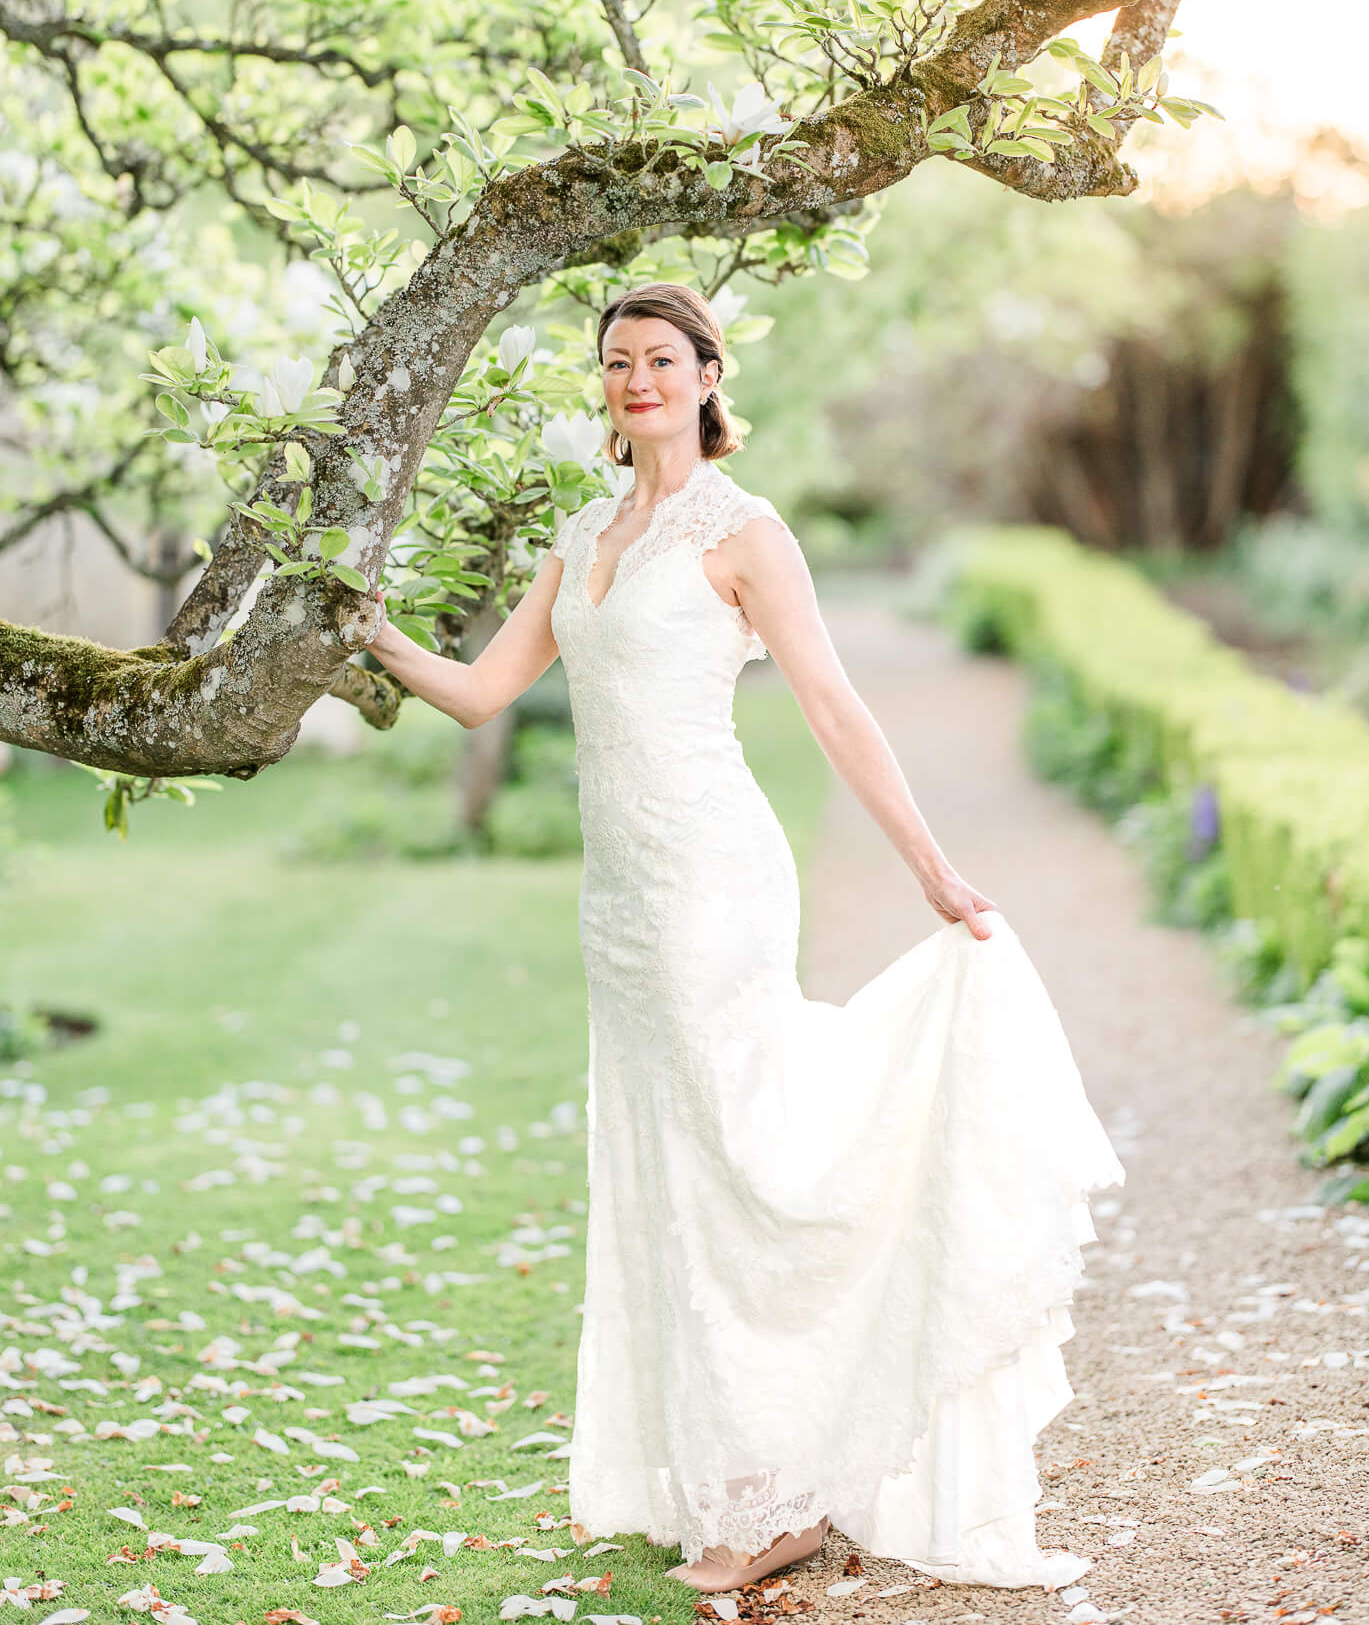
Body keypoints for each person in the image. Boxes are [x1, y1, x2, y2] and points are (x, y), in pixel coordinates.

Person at [366, 281, 1124, 1596]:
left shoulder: (745, 531)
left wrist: (934, 871)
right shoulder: (582, 529)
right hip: (617, 902)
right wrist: (363, 631)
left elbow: (833, 707)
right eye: (615, 362)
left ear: (708, 374)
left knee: (739, 1153)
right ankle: (738, 1473)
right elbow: (484, 688)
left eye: (660, 358)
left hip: (711, 878)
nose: (635, 379)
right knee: (670, 1165)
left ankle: (775, 1492)